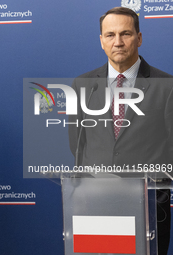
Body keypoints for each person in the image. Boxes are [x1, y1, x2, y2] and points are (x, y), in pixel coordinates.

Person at [68, 7, 172, 255]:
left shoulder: (167, 87)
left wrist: (156, 191)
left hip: (148, 211)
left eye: (125, 33)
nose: (118, 42)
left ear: (139, 38)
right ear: (101, 40)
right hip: (95, 207)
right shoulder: (82, 85)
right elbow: (77, 144)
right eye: (110, 35)